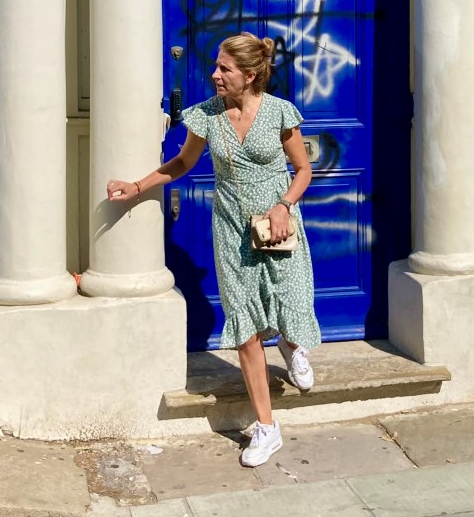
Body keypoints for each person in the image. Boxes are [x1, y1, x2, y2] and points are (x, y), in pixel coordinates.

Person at [107, 32, 321, 467]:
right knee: (244, 325)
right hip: (231, 228)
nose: (215, 74)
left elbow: (302, 169)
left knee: (290, 299)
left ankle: (292, 345)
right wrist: (137, 186)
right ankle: (267, 426)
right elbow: (182, 163)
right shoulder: (206, 115)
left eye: (225, 68)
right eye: (216, 66)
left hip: (278, 223)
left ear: (250, 74)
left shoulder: (280, 112)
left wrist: (284, 206)